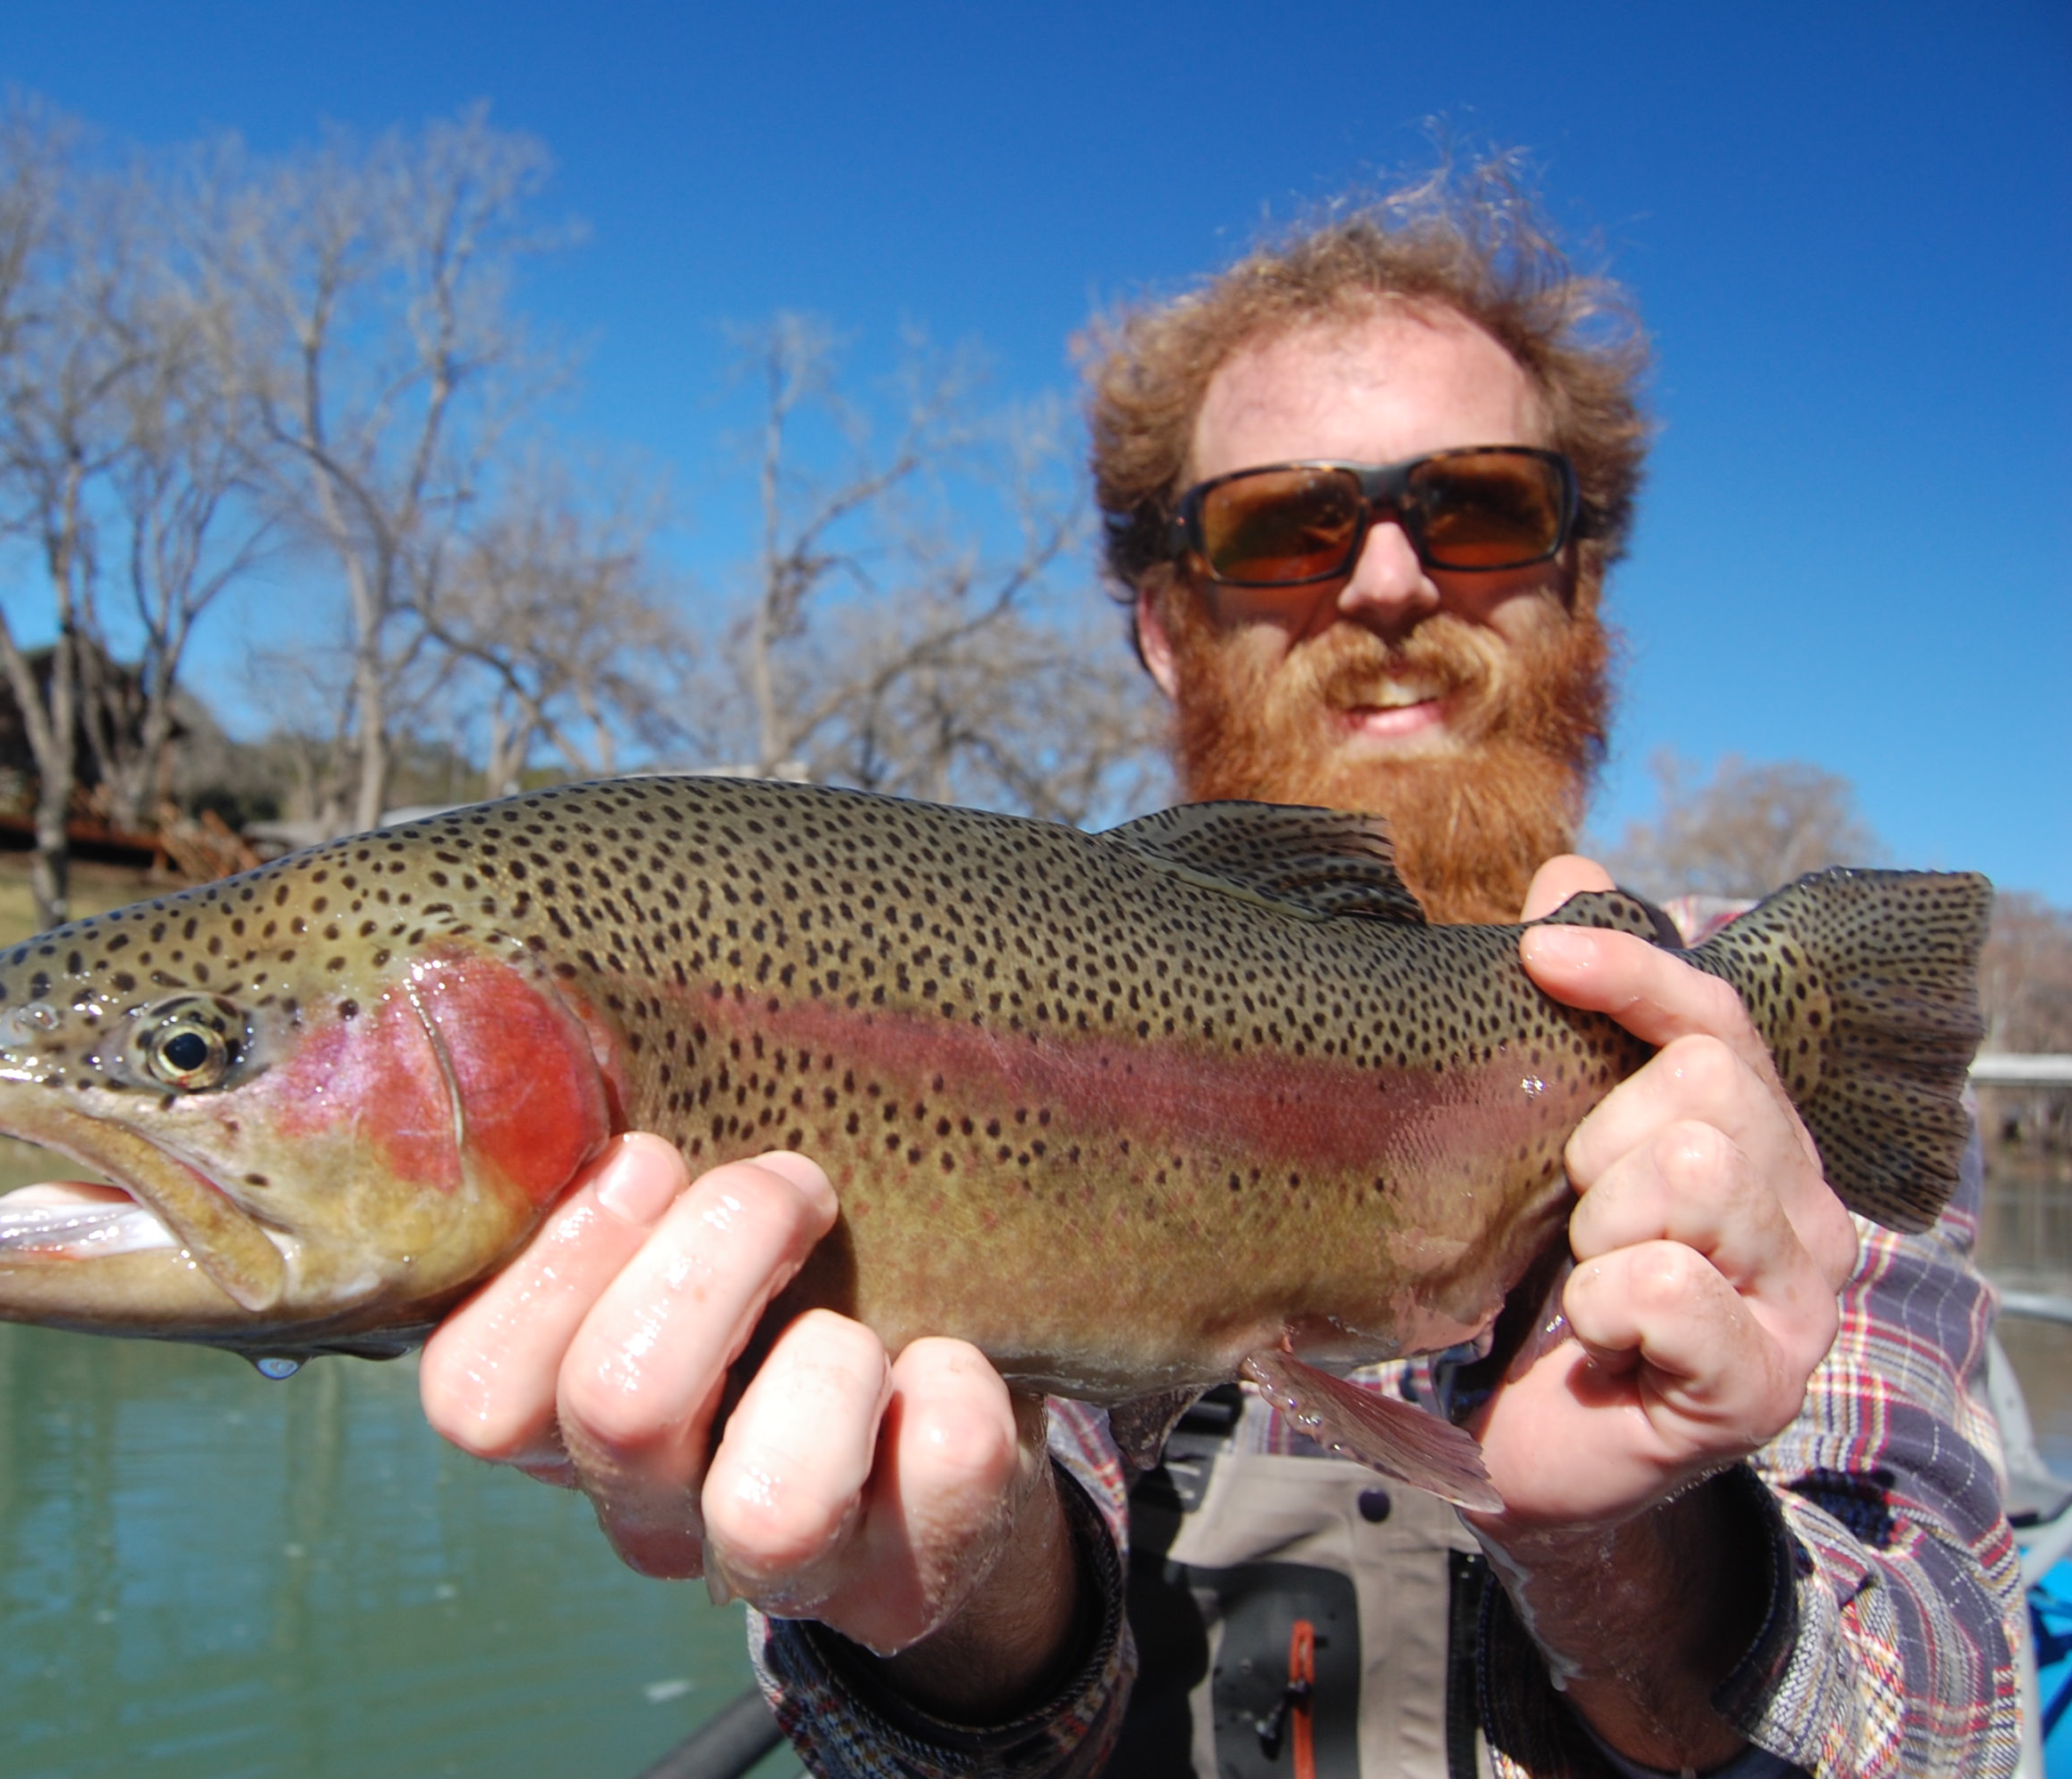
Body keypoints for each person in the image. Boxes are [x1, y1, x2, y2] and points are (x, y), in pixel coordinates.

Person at [416, 171, 2022, 1776]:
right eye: (1283, 526)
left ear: (1577, 584)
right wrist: (965, 1598)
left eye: (1477, 510)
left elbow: (1956, 1720)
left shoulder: (1748, 1026)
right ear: (1166, 632)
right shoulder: (1014, 1000)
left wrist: (1632, 1546)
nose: (1387, 583)